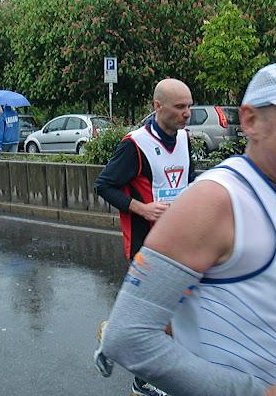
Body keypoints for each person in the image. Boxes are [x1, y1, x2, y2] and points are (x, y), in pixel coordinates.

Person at [96, 61, 276, 396]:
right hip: (164, 235)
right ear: (250, 121)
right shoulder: (215, 200)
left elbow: (265, 289)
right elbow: (127, 338)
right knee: (165, 323)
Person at [94, 78, 196, 396]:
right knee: (163, 316)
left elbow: (188, 181)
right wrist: (143, 208)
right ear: (157, 107)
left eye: (189, 106)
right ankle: (143, 380)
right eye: (180, 107)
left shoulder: (185, 139)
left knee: (181, 312)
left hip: (182, 241)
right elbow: (104, 185)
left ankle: (119, 330)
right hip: (148, 245)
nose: (187, 113)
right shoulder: (135, 144)